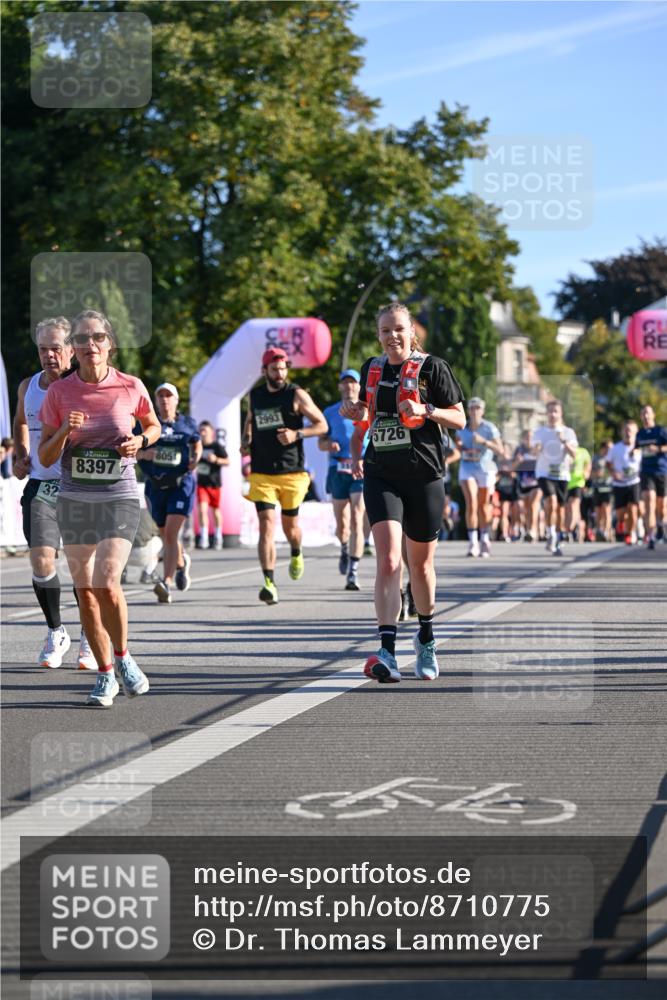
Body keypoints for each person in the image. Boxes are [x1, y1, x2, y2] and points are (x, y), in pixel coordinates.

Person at [38, 309, 161, 707]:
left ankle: (123, 658)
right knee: (86, 592)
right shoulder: (60, 393)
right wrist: (65, 430)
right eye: (81, 339)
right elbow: (44, 455)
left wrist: (140, 441)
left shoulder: (130, 385)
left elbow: (153, 425)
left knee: (107, 582)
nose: (90, 345)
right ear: (73, 348)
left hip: (118, 496)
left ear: (110, 344)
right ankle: (105, 673)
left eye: (97, 338)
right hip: (75, 500)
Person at [342, 301, 465, 683]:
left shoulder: (433, 368)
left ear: (412, 331)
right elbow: (368, 413)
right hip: (382, 474)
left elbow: (459, 418)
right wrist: (355, 411)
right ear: (378, 335)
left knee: (421, 566)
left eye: (398, 329)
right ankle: (387, 651)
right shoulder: (372, 368)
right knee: (388, 561)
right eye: (385, 331)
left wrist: (426, 410)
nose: (392, 336)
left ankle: (426, 638)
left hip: (424, 475)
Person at [12, 317, 98, 669]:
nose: (49, 355)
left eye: (56, 348)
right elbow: (21, 421)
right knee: (41, 560)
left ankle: (90, 635)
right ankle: (56, 631)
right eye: (43, 349)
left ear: (71, 350)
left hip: (79, 487)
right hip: (42, 485)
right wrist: (20, 454)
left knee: (83, 568)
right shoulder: (28, 386)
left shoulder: (85, 386)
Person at [242, 347, 327, 605]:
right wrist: (246, 440)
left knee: (291, 528)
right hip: (262, 472)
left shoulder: (296, 394)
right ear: (264, 370)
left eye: (283, 369)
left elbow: (322, 424)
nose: (280, 374)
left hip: (292, 472)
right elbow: (250, 421)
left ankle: (296, 551)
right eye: (274, 369)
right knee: (266, 524)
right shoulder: (255, 395)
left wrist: (296, 434)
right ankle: (269, 582)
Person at [138, 383, 202, 604]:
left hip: (180, 484)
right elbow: (132, 450)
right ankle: (181, 562)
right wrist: (144, 454)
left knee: (172, 534)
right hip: (156, 485)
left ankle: (166, 581)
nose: (165, 400)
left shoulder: (187, 423)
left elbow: (197, 443)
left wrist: (196, 459)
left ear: (176, 400)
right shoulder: (147, 423)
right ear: (156, 401)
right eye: (161, 396)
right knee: (166, 535)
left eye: (169, 396)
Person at [319, 369, 366, 591]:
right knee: (342, 524)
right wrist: (328, 445)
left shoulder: (367, 409)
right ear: (340, 387)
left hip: (361, 468)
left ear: (359, 386)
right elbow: (321, 442)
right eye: (345, 383)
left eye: (353, 383)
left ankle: (353, 572)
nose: (349, 387)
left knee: (357, 517)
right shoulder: (329, 412)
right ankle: (345, 547)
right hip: (337, 469)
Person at [455, 398, 504, 558]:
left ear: (482, 411)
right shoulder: (462, 427)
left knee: (483, 506)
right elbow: (457, 448)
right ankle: (473, 542)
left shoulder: (489, 428)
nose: (474, 411)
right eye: (472, 408)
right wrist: (458, 448)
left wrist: (484, 442)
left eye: (478, 408)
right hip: (467, 467)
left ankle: (484, 538)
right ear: (468, 411)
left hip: (485, 469)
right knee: (471, 503)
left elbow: (500, 450)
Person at [533, 399, 578, 556]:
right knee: (550, 501)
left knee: (560, 509)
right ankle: (550, 533)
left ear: (561, 414)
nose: (552, 414)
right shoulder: (540, 432)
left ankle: (558, 537)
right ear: (546, 414)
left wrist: (564, 441)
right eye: (550, 411)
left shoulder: (568, 432)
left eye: (555, 411)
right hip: (544, 473)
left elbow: (574, 454)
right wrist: (537, 448)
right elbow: (534, 452)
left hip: (562, 474)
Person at [635, 404, 667, 550]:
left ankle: (660, 525)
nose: (646, 416)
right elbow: (635, 450)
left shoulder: (660, 431)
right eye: (643, 413)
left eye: (648, 413)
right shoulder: (640, 434)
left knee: (662, 507)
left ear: (653, 415)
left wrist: (658, 448)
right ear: (641, 417)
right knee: (649, 502)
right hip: (646, 471)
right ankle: (651, 537)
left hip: (661, 471)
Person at [195, 420, 229, 550]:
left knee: (215, 511)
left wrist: (216, 459)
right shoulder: (197, 446)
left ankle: (218, 536)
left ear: (211, 432)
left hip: (214, 484)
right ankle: (204, 538)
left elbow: (228, 461)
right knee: (202, 510)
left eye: (205, 430)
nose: (202, 433)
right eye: (200, 430)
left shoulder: (217, 446)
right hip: (202, 484)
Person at [607, 421, 642, 545]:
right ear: (622, 432)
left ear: (636, 432)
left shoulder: (640, 448)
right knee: (620, 513)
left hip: (634, 482)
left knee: (633, 509)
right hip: (619, 484)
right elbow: (608, 463)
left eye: (630, 430)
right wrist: (613, 473)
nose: (628, 433)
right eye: (626, 430)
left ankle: (629, 534)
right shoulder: (615, 448)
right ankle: (621, 522)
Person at [512, 429, 540, 542]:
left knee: (533, 504)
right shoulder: (519, 450)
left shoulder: (538, 449)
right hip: (524, 483)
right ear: (523, 438)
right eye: (527, 436)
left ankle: (533, 530)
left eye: (531, 437)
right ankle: (529, 529)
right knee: (527, 508)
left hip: (537, 483)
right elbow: (512, 467)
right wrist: (518, 461)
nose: (529, 439)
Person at [566, 444, 592, 542]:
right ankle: (574, 528)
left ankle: (571, 528)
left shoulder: (583, 451)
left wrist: (587, 472)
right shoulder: (564, 451)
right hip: (566, 482)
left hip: (578, 483)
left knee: (574, 505)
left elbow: (588, 463)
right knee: (568, 508)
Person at [590, 440, 614, 541]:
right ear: (603, 448)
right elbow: (589, 473)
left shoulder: (613, 458)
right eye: (609, 448)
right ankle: (599, 530)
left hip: (608, 487)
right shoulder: (595, 458)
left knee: (607, 509)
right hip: (597, 487)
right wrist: (596, 474)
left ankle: (606, 531)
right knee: (598, 510)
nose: (611, 450)